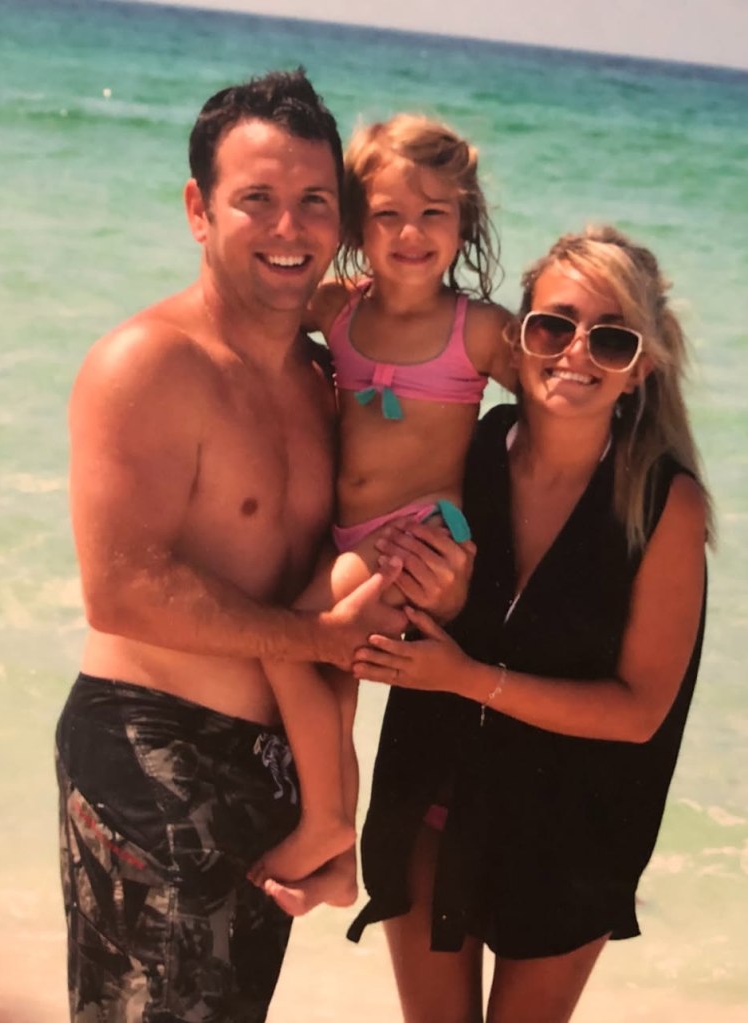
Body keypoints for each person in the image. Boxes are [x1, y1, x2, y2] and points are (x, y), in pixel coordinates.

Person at [55, 70, 466, 1023]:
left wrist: (437, 580)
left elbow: (336, 570)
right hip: (148, 747)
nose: (291, 229)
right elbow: (120, 591)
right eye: (258, 200)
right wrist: (316, 643)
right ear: (199, 209)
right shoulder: (150, 362)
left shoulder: (326, 382)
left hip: (273, 766)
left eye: (314, 202)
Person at [348, 225, 711, 1023]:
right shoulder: (469, 445)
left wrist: (471, 678)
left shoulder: (663, 503)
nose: (574, 352)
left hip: (569, 833)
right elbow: (377, 537)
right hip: (431, 794)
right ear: (517, 339)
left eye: (608, 339)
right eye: (553, 325)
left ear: (637, 369)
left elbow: (638, 709)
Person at [248, 114, 516, 913]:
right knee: (334, 692)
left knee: (285, 641)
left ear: (463, 222)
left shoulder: (480, 331)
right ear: (358, 224)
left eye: (434, 213)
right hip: (349, 538)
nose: (410, 232)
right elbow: (252, 307)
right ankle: (340, 862)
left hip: (417, 538)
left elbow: (550, 410)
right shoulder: (339, 308)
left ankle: (326, 821)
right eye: (389, 214)